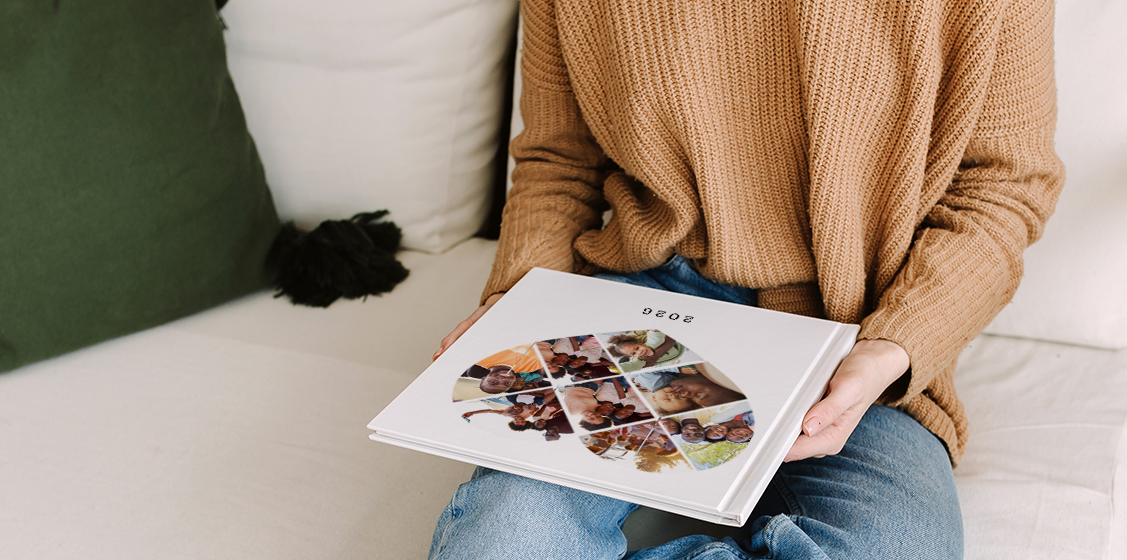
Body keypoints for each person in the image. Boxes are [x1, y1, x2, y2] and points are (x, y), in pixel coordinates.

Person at [430, 0, 1062, 557]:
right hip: (648, 298)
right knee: (510, 536)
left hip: (860, 320)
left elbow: (1002, 192)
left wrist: (894, 347)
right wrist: (516, 301)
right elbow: (558, 162)